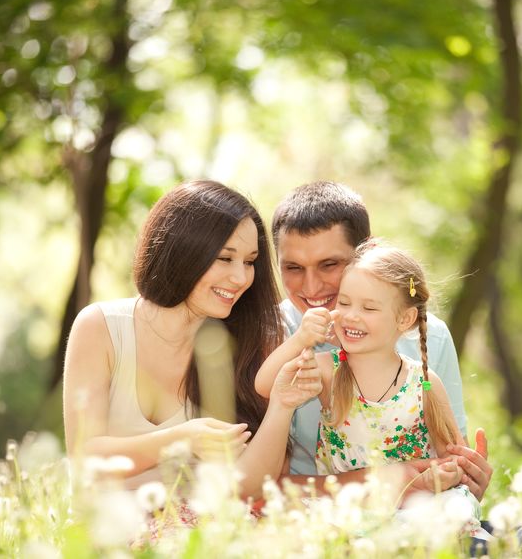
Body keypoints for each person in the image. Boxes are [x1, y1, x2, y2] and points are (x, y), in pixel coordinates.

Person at [62, 180, 321, 498]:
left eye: (250, 262)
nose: (240, 278)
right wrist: (178, 440)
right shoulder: (100, 327)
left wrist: (282, 406)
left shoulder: (241, 344)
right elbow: (84, 458)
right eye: (225, 259)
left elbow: (249, 487)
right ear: (183, 252)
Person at [270, 181, 491, 498]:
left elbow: (453, 464)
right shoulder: (275, 336)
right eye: (293, 267)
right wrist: (378, 480)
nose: (311, 286)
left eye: (329, 264)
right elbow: (261, 489)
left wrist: (469, 478)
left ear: (367, 253)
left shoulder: (430, 338)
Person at [256, 240, 481, 518]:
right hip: (348, 506)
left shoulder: (424, 383)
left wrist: (442, 475)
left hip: (409, 507)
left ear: (405, 319)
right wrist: (301, 339)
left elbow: (453, 457)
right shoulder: (330, 371)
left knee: (452, 507)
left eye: (369, 308)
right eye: (345, 302)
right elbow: (265, 385)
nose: (351, 316)